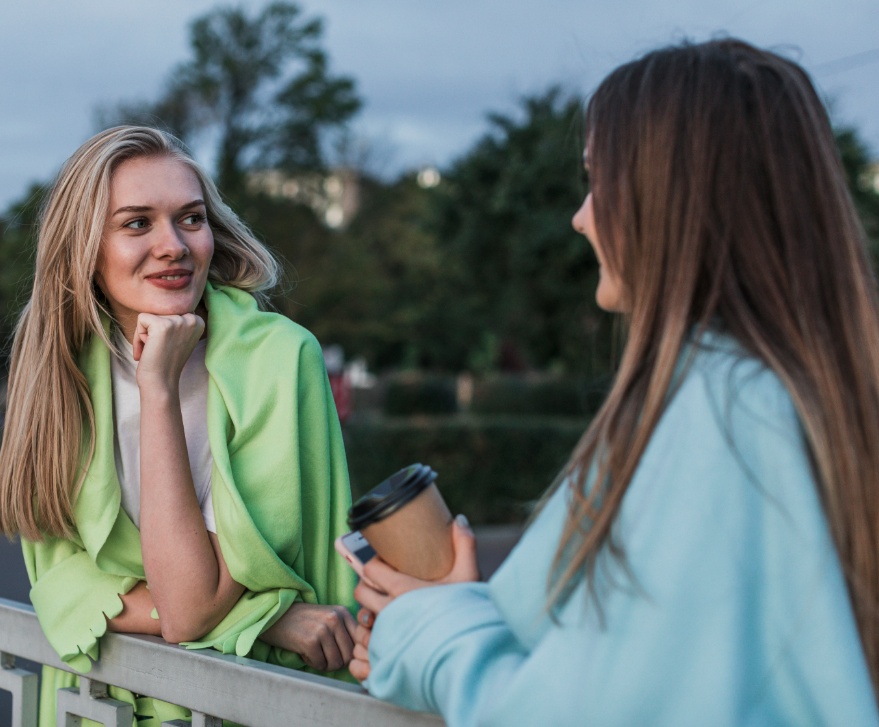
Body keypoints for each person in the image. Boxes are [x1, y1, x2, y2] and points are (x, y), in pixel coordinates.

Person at [349, 39, 879, 725]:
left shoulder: (722, 417)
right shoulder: (807, 397)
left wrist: (429, 635)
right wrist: (454, 610)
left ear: (669, 198)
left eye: (599, 179)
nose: (580, 216)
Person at [0, 126, 358, 725]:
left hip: (239, 703)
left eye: (190, 219)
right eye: (137, 223)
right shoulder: (58, 371)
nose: (174, 246)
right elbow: (58, 583)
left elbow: (188, 610)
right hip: (94, 703)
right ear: (84, 247)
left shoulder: (278, 360)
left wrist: (157, 389)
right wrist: (262, 616)